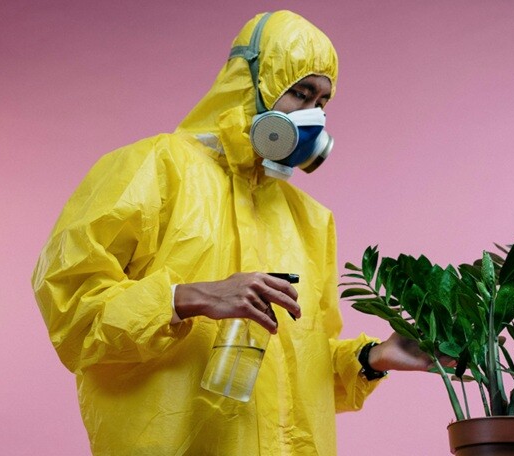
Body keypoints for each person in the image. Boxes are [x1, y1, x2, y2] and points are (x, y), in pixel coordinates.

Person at [32, 10, 435, 455]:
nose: (312, 118)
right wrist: (187, 298)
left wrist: (372, 358)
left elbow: (304, 376)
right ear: (250, 82)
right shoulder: (153, 169)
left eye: (322, 103)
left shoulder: (311, 219)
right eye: (299, 94)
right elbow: (72, 316)